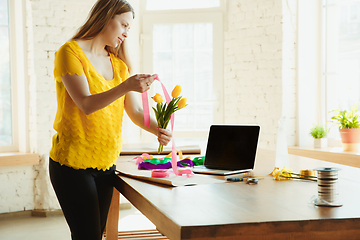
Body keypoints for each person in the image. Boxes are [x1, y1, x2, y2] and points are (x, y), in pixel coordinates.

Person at [48, 1, 172, 239]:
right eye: (124, 24)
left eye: (129, 28)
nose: (126, 33)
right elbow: (85, 104)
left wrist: (158, 129)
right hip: (72, 166)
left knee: (95, 235)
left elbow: (135, 112)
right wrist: (125, 86)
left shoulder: (119, 65)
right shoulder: (70, 53)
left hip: (106, 164)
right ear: (106, 17)